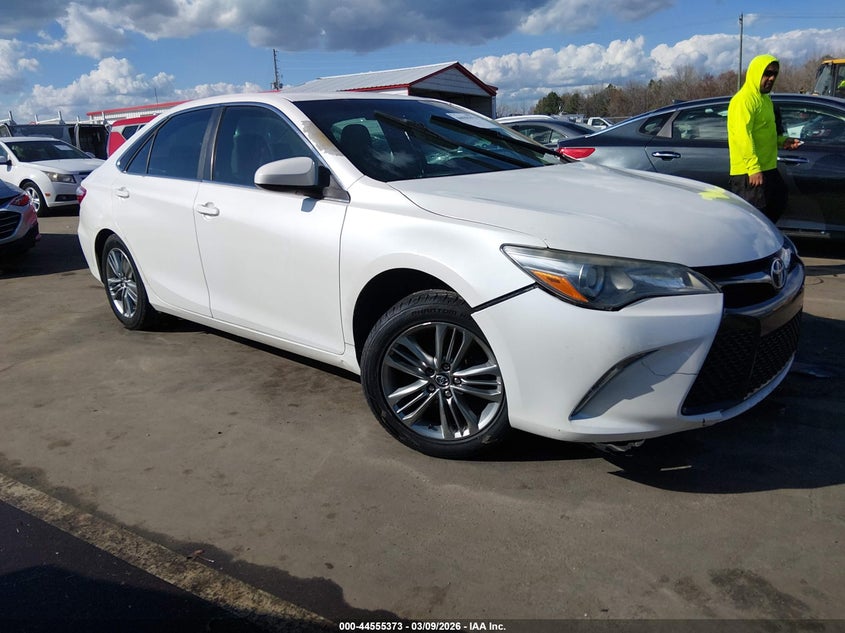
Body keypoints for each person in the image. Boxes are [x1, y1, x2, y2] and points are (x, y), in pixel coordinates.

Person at [727, 54, 801, 223]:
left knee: (778, 201)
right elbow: (742, 136)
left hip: (768, 167)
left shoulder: (766, 100)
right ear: (755, 73)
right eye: (767, 73)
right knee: (753, 221)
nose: (771, 78)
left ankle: (766, 242)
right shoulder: (743, 100)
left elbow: (765, 132)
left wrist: (783, 141)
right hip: (748, 172)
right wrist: (753, 168)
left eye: (775, 74)